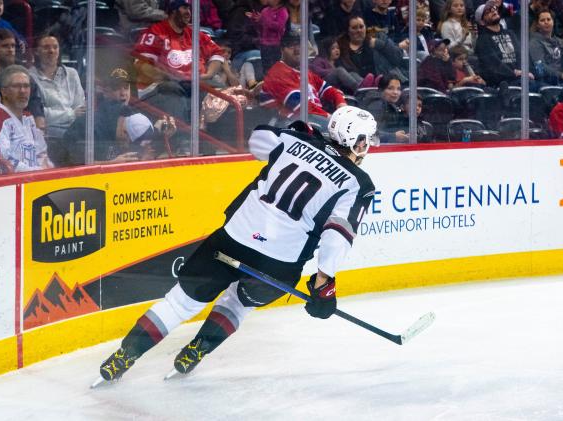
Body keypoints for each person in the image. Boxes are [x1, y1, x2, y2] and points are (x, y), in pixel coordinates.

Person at [97, 105, 379, 383]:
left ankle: (125, 356)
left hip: (233, 239)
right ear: (358, 141)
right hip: (279, 264)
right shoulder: (358, 183)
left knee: (179, 303)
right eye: (367, 141)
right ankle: (198, 350)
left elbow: (257, 140)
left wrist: (287, 134)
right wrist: (324, 283)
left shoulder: (297, 140)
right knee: (237, 304)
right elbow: (337, 234)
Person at [132, 0, 225, 122]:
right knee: (174, 93)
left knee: (220, 92)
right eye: (184, 8)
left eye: (189, 9)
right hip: (164, 86)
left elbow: (217, 53)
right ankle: (182, 138)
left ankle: (215, 133)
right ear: (172, 11)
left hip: (194, 83)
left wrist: (208, 74)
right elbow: (142, 65)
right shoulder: (156, 32)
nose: (189, 12)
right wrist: (169, 76)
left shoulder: (194, 34)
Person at [259, 32, 347, 127]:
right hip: (283, 125)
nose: (297, 50)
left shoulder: (304, 72)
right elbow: (303, 107)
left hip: (311, 119)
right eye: (291, 46)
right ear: (282, 50)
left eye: (299, 45)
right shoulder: (278, 73)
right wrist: (330, 118)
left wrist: (341, 104)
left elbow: (329, 90)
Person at [28, 33, 85, 166]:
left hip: (75, 129)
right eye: (46, 47)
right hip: (49, 135)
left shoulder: (72, 73)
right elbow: (40, 115)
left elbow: (81, 108)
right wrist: (70, 113)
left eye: (55, 47)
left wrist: (62, 115)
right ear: (36, 51)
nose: (51, 51)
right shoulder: (30, 77)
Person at [0, 65, 53, 173]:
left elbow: (41, 153)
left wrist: (49, 171)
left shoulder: (28, 118)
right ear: (4, 91)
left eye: (26, 86)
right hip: (12, 185)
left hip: (36, 180)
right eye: (16, 86)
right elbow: (3, 161)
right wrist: (37, 173)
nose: (23, 91)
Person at [474, 0, 532, 87]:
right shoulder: (482, 40)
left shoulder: (510, 33)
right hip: (503, 83)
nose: (493, 11)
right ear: (481, 22)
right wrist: (515, 73)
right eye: (488, 12)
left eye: (494, 9)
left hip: (522, 78)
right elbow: (494, 65)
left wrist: (525, 71)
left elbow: (521, 55)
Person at [529, 10, 563, 85]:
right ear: (537, 25)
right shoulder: (534, 43)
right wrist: (561, 75)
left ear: (553, 22)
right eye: (542, 20)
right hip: (545, 82)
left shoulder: (561, 42)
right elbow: (540, 68)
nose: (546, 22)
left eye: (548, 19)